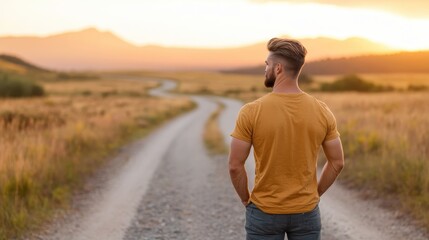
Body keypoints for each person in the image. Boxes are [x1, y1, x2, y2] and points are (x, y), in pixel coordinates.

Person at [228, 37, 344, 240]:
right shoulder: (322, 111)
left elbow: (235, 166)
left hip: (264, 211)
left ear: (278, 68)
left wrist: (247, 200)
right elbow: (337, 162)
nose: (265, 69)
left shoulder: (251, 111)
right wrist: (314, 194)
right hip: (306, 213)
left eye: (267, 65)